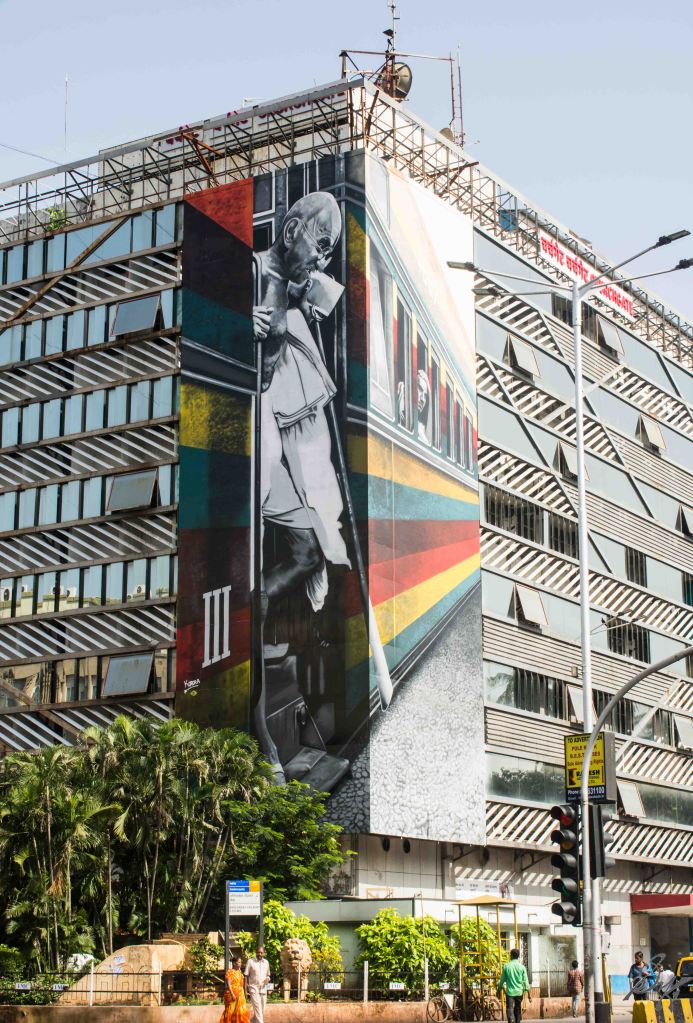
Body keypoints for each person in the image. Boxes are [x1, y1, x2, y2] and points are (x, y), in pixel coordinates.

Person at [497, 948, 531, 1023]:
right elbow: (526, 981)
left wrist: (499, 989)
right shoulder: (522, 967)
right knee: (518, 1008)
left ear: (511, 956)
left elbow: (502, 979)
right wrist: (529, 994)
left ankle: (511, 1020)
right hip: (519, 992)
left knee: (510, 1009)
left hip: (510, 993)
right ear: (518, 956)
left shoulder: (507, 966)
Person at [244, 945, 270, 1023]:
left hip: (263, 989)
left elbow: (268, 975)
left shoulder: (266, 962)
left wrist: (267, 980)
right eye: (258, 952)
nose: (260, 954)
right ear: (256, 952)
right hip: (253, 988)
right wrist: (245, 989)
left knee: (262, 1009)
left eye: (261, 952)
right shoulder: (250, 961)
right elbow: (246, 975)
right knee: (258, 1008)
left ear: (264, 953)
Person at [221, 956, 250, 1023]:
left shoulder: (239, 972)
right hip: (232, 995)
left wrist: (246, 991)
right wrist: (232, 994)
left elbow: (242, 983)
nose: (240, 964)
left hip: (240, 994)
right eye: (239, 962)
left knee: (241, 1010)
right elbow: (229, 984)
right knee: (231, 1010)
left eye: (241, 962)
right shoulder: (230, 972)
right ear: (234, 963)